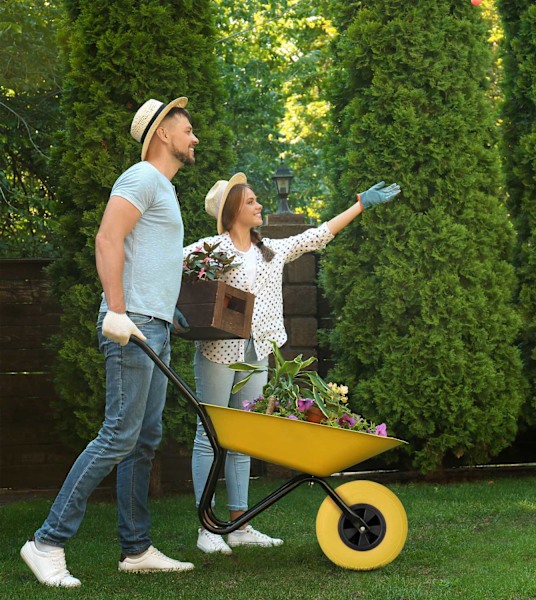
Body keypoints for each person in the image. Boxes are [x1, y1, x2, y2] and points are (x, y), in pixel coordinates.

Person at [20, 96, 199, 587]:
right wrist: (118, 310)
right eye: (187, 129)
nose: (194, 138)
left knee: (143, 440)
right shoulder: (141, 177)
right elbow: (107, 238)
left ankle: (136, 549)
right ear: (162, 132)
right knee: (119, 434)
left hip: (153, 324)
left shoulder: (162, 187)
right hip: (132, 324)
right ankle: (46, 542)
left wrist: (165, 307)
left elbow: (147, 255)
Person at [184, 172, 400, 555]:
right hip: (218, 352)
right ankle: (207, 528)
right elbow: (171, 269)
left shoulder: (271, 249)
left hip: (257, 353)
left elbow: (317, 235)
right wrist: (174, 308)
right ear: (233, 210)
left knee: (243, 437)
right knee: (210, 436)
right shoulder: (211, 249)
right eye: (251, 201)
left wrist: (360, 205)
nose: (259, 205)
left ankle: (239, 526)